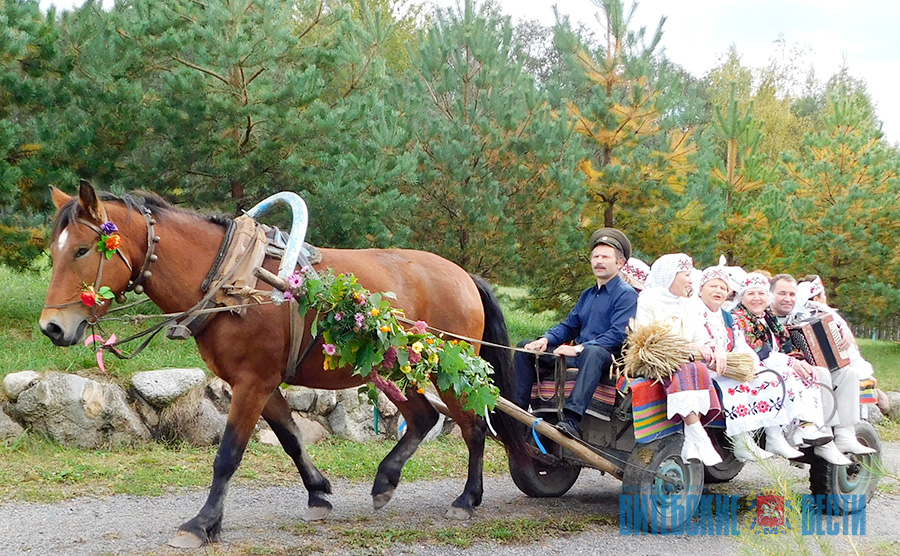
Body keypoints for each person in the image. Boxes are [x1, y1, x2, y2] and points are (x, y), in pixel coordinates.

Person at [513, 228, 639, 437]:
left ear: (620, 263)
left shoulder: (626, 295)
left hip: (607, 360)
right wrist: (546, 339)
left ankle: (572, 420)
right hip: (580, 357)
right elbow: (570, 325)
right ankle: (517, 413)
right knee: (524, 348)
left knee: (593, 353)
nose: (599, 261)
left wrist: (579, 348)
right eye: (595, 256)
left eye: (605, 257)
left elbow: (618, 334)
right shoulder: (588, 294)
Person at [730, 273, 854, 464]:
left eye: (760, 293)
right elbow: (758, 351)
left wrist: (799, 360)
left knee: (819, 371)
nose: (757, 298)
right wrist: (792, 363)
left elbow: (787, 345)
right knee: (797, 373)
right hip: (755, 367)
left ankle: (820, 432)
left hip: (775, 364)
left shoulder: (767, 317)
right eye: (751, 294)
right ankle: (800, 433)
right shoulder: (740, 317)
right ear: (742, 297)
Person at [694, 267, 796, 462]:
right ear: (701, 290)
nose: (718, 291)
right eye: (713, 286)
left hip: (729, 364)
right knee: (735, 384)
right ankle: (741, 441)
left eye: (723, 288)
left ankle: (774, 436)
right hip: (707, 367)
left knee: (769, 378)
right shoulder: (694, 312)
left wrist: (753, 366)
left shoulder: (726, 316)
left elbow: (741, 345)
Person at [634, 253, 722, 466]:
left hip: (685, 360)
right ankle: (697, 433)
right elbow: (648, 339)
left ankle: (692, 440)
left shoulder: (687, 304)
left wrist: (715, 347)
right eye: (686, 274)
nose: (691, 280)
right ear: (669, 276)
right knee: (686, 367)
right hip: (656, 361)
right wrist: (688, 347)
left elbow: (701, 336)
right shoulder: (648, 300)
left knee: (697, 368)